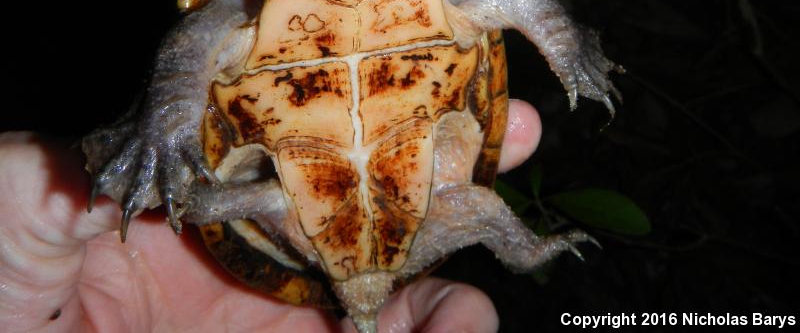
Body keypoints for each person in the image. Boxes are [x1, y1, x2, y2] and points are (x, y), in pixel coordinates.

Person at [0, 100, 541, 333]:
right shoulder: (436, 196)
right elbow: (480, 206)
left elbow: (231, 199)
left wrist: (179, 194)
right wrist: (526, 247)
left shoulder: (282, 208)